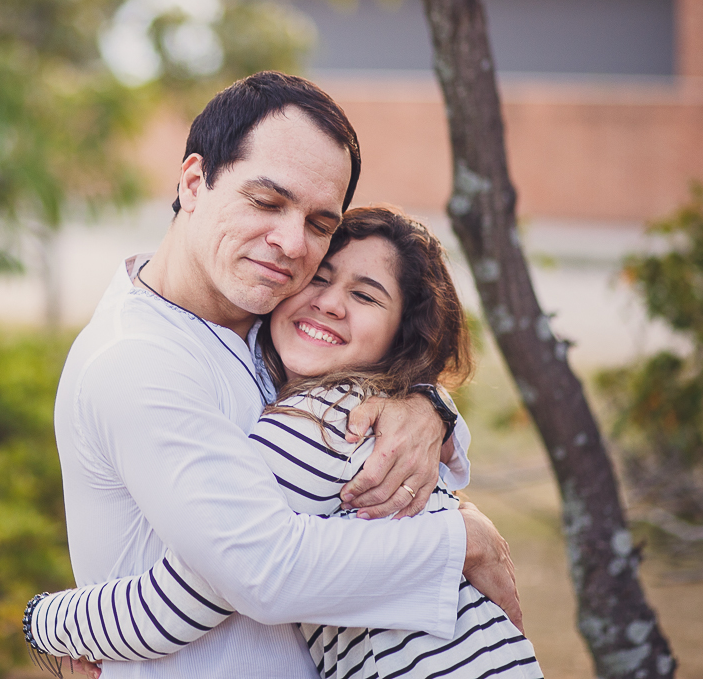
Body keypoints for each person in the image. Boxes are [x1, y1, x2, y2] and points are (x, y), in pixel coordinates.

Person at [47, 72, 520, 679]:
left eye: (320, 223)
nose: (292, 243)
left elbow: (364, 386)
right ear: (194, 182)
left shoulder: (272, 326)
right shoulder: (139, 359)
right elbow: (262, 570)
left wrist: (423, 405)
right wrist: (462, 541)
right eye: (267, 202)